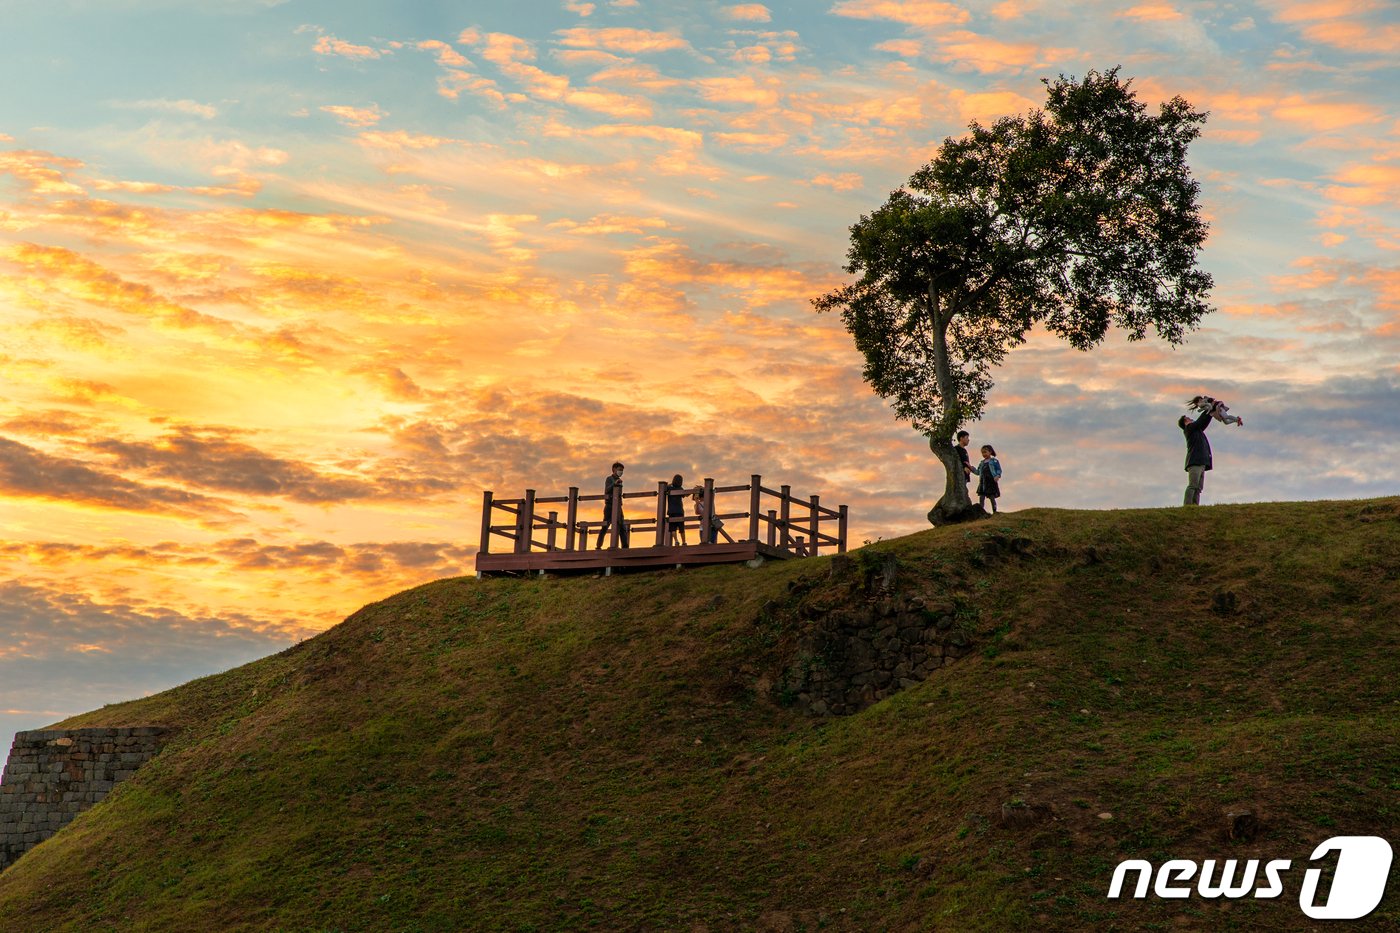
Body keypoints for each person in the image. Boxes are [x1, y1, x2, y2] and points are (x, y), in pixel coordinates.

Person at [1179, 408, 1214, 506]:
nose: (1191, 419)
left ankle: (1194, 506)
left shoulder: (1196, 430)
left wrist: (1210, 413)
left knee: (1198, 488)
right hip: (1195, 462)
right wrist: (1208, 410)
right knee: (1193, 485)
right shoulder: (1189, 429)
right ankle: (1187, 506)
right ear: (1185, 422)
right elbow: (1200, 422)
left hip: (1201, 462)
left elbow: (1203, 423)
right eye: (1188, 418)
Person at [595, 462, 629, 548]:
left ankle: (625, 546)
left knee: (622, 525)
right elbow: (607, 490)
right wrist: (615, 484)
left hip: (618, 506)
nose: (621, 472)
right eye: (619, 470)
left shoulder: (619, 481)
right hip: (609, 506)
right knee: (605, 525)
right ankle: (598, 545)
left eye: (622, 470)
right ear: (614, 469)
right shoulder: (609, 479)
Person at [972, 444, 1002, 513]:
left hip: (991, 481)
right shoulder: (981, 463)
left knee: (992, 497)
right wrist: (972, 468)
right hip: (983, 483)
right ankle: (981, 511)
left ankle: (995, 511)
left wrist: (997, 476)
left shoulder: (994, 461)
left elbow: (999, 470)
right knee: (981, 497)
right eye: (982, 453)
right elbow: (978, 472)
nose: (984, 454)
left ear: (990, 452)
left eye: (985, 452)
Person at [666, 474, 688, 546]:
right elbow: (685, 495)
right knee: (681, 527)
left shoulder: (669, 488)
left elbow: (664, 488)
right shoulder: (680, 488)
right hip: (679, 510)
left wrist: (670, 484)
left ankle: (676, 541)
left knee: (673, 528)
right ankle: (684, 542)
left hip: (671, 511)